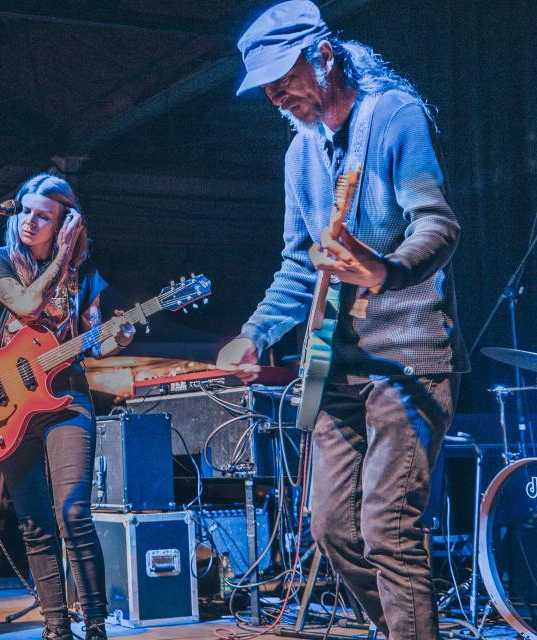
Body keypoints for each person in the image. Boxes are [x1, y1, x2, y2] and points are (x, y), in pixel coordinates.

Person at [215, 3, 467, 639]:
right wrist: (253, 333)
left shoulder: (394, 117)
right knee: (329, 527)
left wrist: (383, 269)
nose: (275, 94)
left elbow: (437, 225)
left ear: (324, 56)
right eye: (266, 85)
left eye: (284, 76)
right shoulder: (299, 155)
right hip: (333, 359)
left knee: (389, 524)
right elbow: (298, 268)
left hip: (409, 349)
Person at [0, 173, 135, 640]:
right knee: (33, 521)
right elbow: (26, 306)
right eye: (25, 211)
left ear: (66, 223)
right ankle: (55, 627)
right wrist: (61, 256)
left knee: (72, 512)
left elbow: (96, 341)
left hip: (67, 398)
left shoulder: (86, 276)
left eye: (42, 216)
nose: (29, 221)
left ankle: (95, 625)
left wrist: (118, 335)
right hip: (10, 405)